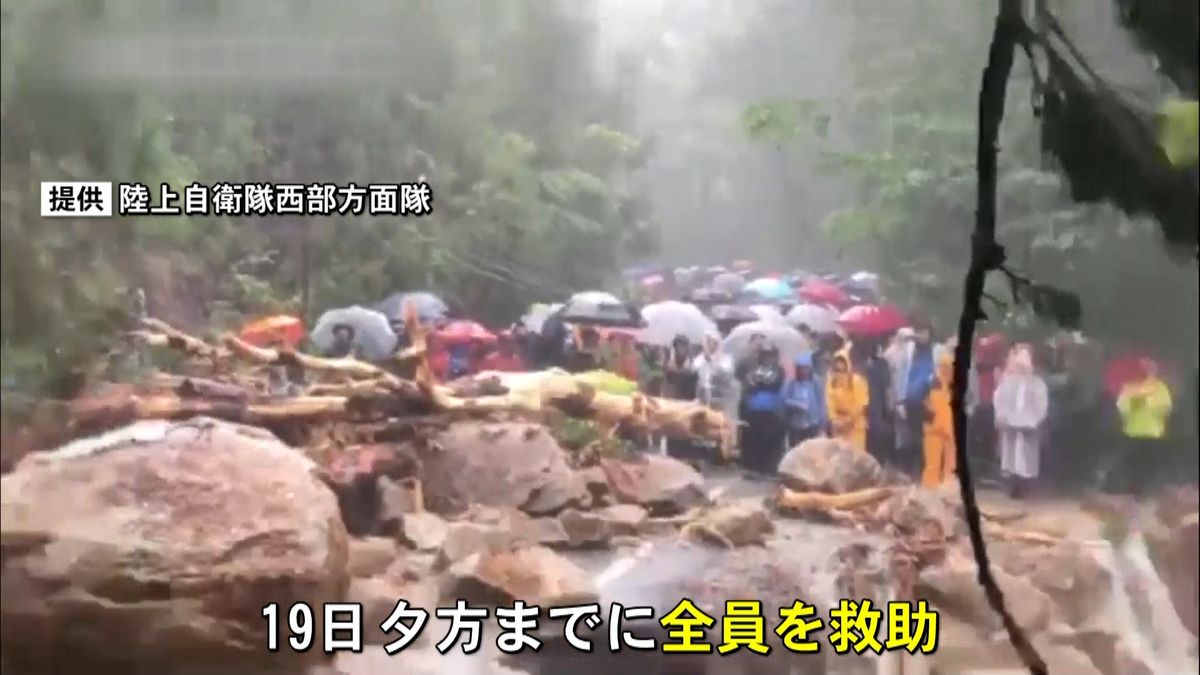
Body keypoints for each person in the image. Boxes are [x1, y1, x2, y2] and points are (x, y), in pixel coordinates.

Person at [890, 320, 947, 476]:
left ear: (930, 333)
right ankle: (911, 471)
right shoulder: (908, 350)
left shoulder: (938, 351)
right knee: (909, 438)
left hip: (930, 401)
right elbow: (900, 375)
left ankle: (926, 471)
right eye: (918, 331)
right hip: (909, 401)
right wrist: (900, 400)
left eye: (924, 332)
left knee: (927, 438)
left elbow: (944, 374)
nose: (920, 335)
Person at [993, 345, 1049, 498]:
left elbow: (1041, 405)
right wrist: (1003, 417)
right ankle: (1013, 485)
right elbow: (999, 400)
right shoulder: (1008, 382)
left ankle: (1025, 486)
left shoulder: (1037, 384)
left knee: (1026, 459)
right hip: (1010, 426)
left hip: (1028, 427)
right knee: (1010, 457)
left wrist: (1035, 420)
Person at [1112, 358, 1173, 496]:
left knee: (1149, 465)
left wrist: (1147, 404)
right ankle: (1132, 492)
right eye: (1145, 368)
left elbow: (1166, 407)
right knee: (1131, 464)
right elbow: (1121, 407)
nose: (1148, 371)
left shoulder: (1160, 387)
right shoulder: (1129, 387)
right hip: (1132, 432)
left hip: (1153, 432)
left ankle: (1145, 491)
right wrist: (1134, 404)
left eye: (1151, 368)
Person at [740, 342, 786, 476]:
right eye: (765, 355)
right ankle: (754, 467)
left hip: (773, 411)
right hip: (755, 410)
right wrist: (761, 381)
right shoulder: (754, 369)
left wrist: (760, 381)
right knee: (754, 439)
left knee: (772, 440)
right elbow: (750, 383)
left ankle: (770, 467)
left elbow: (774, 381)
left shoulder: (779, 369)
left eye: (770, 355)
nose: (767, 358)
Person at [922, 352, 957, 489]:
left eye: (948, 367)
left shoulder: (953, 385)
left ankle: (948, 488)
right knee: (932, 463)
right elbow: (924, 407)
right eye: (943, 366)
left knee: (951, 463)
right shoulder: (931, 383)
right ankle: (929, 489)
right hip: (933, 430)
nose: (946, 369)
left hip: (950, 430)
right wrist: (932, 421)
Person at [825, 350, 869, 451]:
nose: (838, 373)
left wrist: (848, 421)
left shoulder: (857, 381)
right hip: (838, 429)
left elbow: (861, 405)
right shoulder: (831, 382)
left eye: (842, 370)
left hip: (855, 428)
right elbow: (829, 404)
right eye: (836, 369)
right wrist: (834, 420)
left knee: (855, 460)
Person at [783, 351, 825, 447]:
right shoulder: (792, 383)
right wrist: (796, 404)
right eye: (801, 368)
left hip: (812, 424)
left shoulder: (816, 382)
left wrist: (822, 424)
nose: (803, 371)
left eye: (806, 368)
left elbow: (821, 402)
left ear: (810, 368)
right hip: (796, 424)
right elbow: (785, 400)